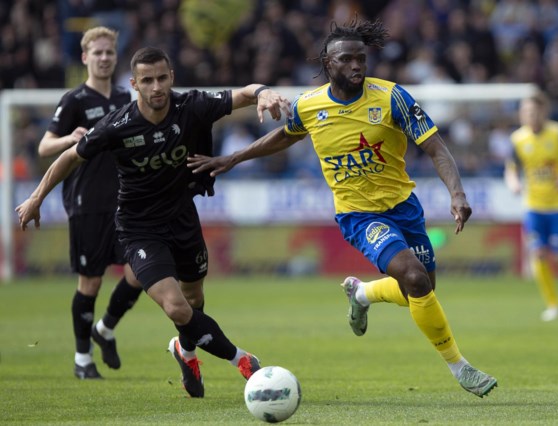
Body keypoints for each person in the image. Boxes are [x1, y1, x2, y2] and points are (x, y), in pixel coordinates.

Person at [188, 18, 497, 398]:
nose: (357, 67)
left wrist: (457, 193)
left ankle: (363, 294)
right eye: (347, 60)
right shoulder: (310, 105)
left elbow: (436, 147)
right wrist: (232, 158)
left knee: (422, 289)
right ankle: (460, 367)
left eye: (361, 60)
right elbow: (284, 136)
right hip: (358, 215)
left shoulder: (391, 97)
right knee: (414, 279)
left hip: (404, 207)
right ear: (328, 63)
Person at [16, 46, 292, 398]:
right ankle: (243, 360)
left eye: (162, 78)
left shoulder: (192, 105)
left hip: (182, 218)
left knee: (193, 301)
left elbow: (243, 93)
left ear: (171, 77)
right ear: (134, 84)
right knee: (176, 305)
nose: (156, 86)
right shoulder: (118, 124)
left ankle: (186, 353)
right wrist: (37, 197)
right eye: (147, 80)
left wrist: (264, 92)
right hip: (138, 228)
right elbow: (70, 156)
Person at [37, 26, 143, 380]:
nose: (103, 58)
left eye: (109, 52)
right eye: (97, 53)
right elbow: (44, 146)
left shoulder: (125, 98)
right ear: (85, 57)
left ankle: (106, 328)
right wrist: (69, 137)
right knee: (91, 282)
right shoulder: (74, 100)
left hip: (124, 200)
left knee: (140, 272)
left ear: (115, 57)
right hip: (86, 202)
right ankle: (83, 358)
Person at [504, 92, 558, 322]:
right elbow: (511, 167)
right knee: (538, 253)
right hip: (534, 205)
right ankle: (553, 305)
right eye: (524, 111)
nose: (528, 115)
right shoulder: (518, 139)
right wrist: (514, 182)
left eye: (532, 111)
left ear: (543, 112)